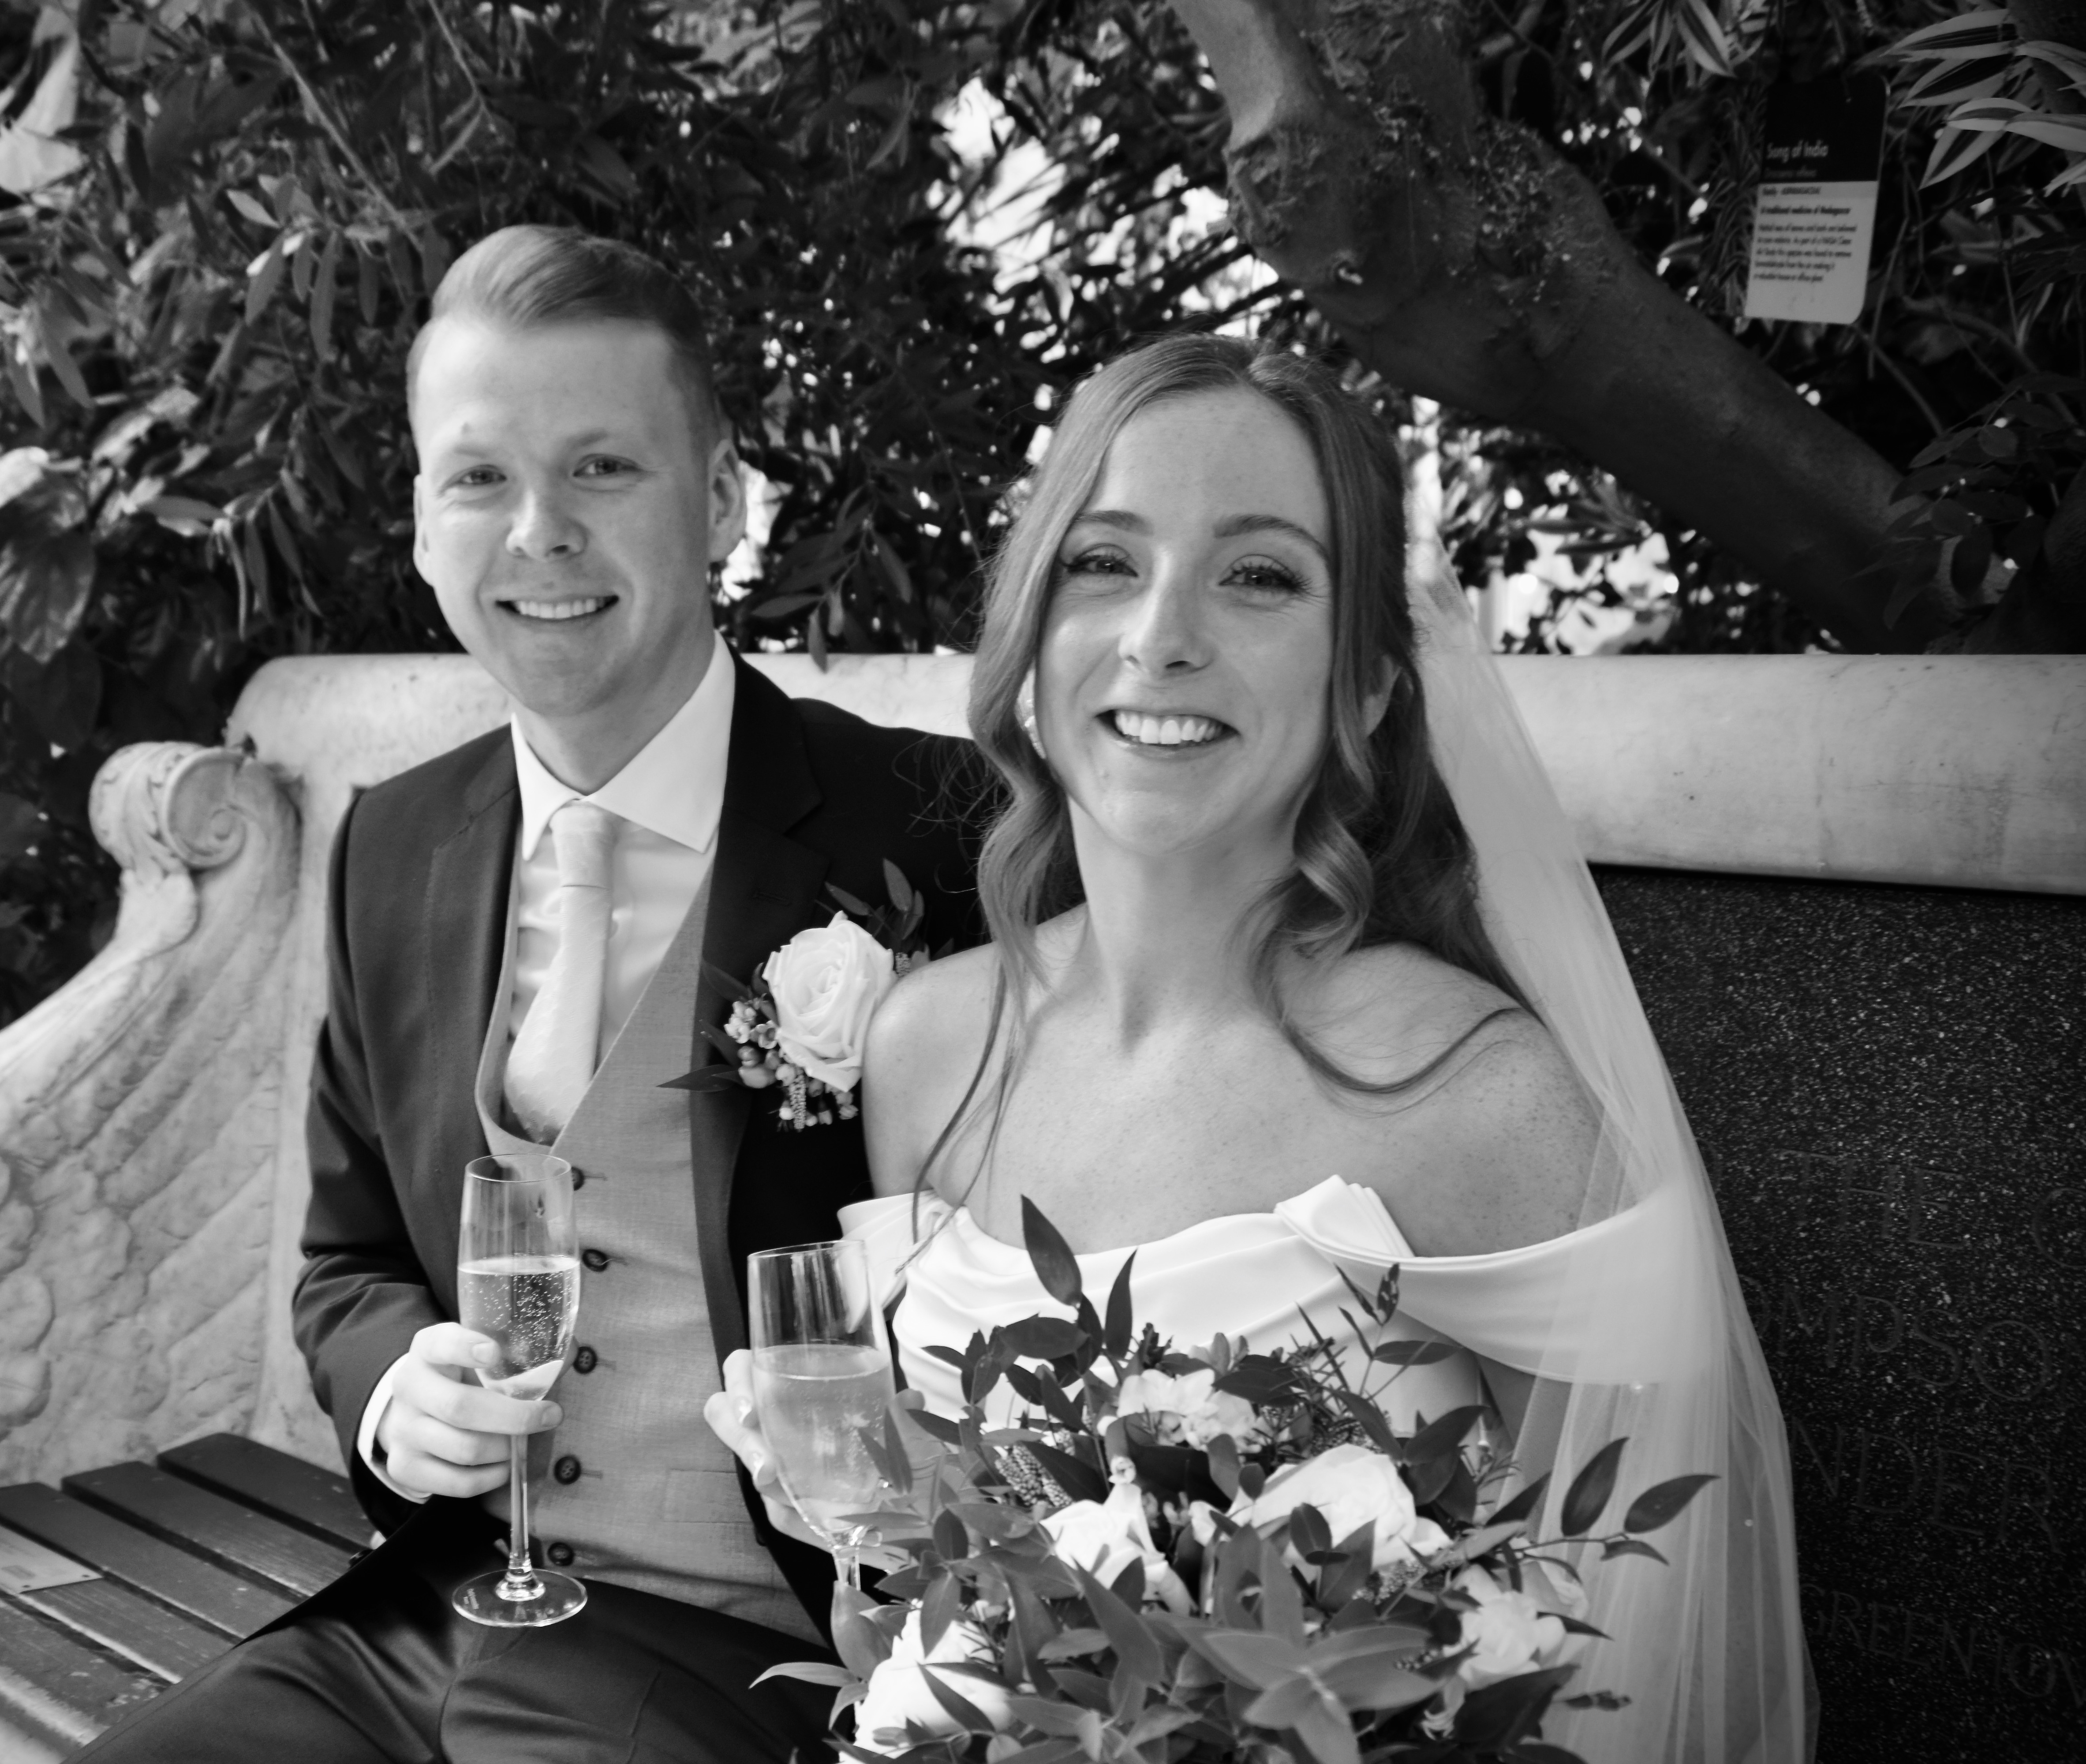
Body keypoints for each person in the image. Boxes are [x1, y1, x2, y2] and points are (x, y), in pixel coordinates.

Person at [708, 333, 1812, 1762]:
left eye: (1260, 576)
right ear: (1029, 639)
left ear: (1370, 685)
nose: (1163, 635)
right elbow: (967, 1581)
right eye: (1104, 562)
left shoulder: (1480, 1097)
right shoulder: (928, 1044)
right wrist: (877, 1502)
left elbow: (1650, 1642)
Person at [66, 224, 978, 1764]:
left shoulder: (939, 830)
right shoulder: (395, 843)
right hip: (423, 1613)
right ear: (425, 523)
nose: (539, 532)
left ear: (722, 502)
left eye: (602, 468)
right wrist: (391, 1397)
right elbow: (350, 1259)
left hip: (761, 1654)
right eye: (480, 477)